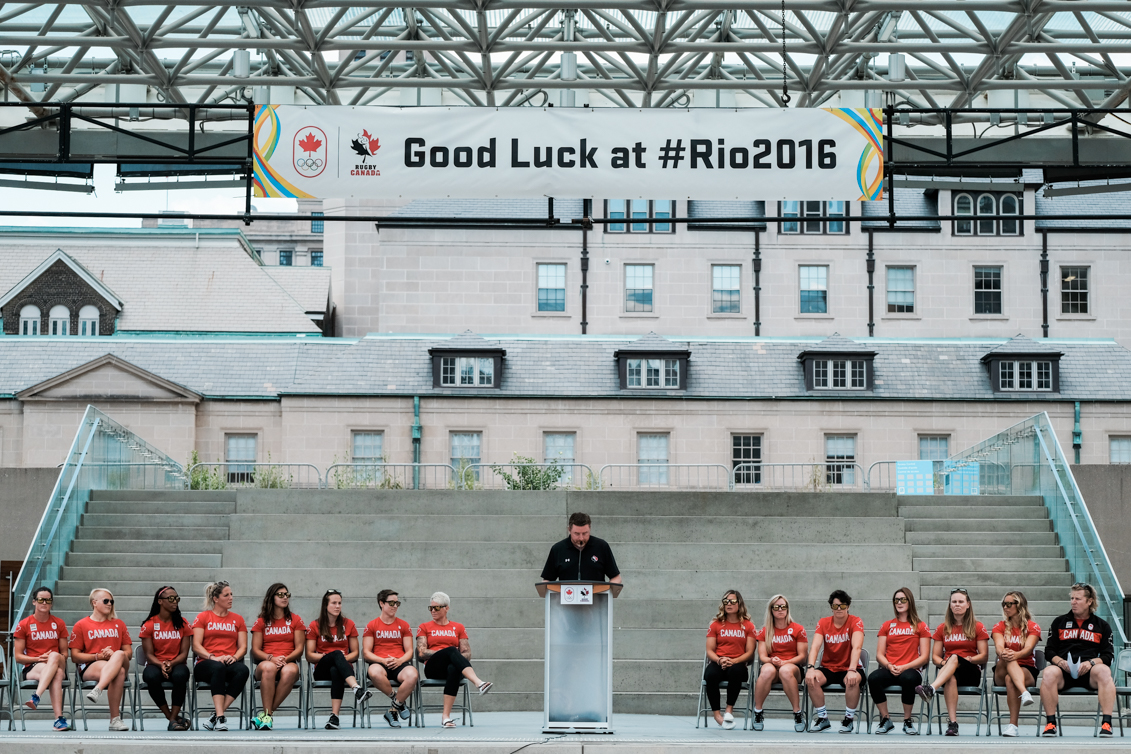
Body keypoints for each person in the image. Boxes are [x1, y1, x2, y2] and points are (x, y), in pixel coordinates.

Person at [1039, 582, 1117, 737]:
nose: (1073, 602)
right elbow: (1049, 651)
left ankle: (1107, 723)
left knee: (1104, 670)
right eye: (1072, 598)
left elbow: (1108, 656)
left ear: (1089, 602)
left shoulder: (1102, 625)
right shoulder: (1059, 622)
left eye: (1078, 599)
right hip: (1064, 670)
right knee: (1048, 672)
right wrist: (1060, 662)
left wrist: (1091, 663)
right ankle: (1050, 723)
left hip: (1089, 672)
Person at [916, 587, 988, 736]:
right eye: (954, 601)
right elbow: (935, 657)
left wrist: (970, 659)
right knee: (950, 677)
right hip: (949, 671)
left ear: (968, 604)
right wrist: (945, 663)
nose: (957, 604)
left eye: (961, 601)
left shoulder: (978, 627)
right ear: (950, 605)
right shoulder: (943, 628)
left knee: (954, 657)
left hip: (971, 671)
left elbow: (984, 656)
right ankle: (953, 724)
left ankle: (931, 688)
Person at [417, 592, 492, 729]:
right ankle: (478, 683)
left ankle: (446, 717)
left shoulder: (458, 627)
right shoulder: (424, 627)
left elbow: (467, 653)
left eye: (437, 608)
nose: (433, 611)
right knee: (451, 650)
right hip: (433, 667)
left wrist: (452, 656)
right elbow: (421, 653)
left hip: (452, 668)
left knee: (454, 668)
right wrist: (446, 653)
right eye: (431, 608)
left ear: (446, 608)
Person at [867, 587, 931, 735]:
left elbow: (925, 657)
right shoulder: (887, 625)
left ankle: (907, 721)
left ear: (910, 601)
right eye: (896, 600)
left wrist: (904, 667)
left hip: (911, 669)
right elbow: (879, 655)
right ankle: (886, 719)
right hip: (890, 669)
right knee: (873, 678)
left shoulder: (921, 626)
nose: (899, 602)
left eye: (903, 599)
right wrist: (889, 666)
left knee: (909, 678)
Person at [306, 589, 372, 730]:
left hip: (343, 669)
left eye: (340, 603)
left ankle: (334, 717)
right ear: (325, 605)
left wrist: (341, 659)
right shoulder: (314, 625)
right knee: (336, 654)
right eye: (334, 603)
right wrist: (331, 657)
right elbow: (309, 655)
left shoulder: (348, 624)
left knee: (336, 669)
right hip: (321, 669)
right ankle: (357, 689)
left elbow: (355, 653)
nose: (337, 606)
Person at [69, 588, 132, 731]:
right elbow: (75, 656)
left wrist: (113, 654)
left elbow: (128, 653)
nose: (109, 604)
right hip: (92, 665)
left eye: (111, 601)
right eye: (106, 601)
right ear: (94, 603)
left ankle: (98, 688)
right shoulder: (81, 625)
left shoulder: (119, 624)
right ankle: (115, 720)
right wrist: (97, 656)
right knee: (120, 672)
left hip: (119, 661)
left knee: (120, 654)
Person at [191, 581, 250, 731]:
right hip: (205, 664)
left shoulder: (238, 619)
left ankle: (217, 715)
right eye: (226, 595)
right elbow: (196, 645)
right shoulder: (203, 617)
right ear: (216, 599)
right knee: (218, 667)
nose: (231, 598)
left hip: (228, 662)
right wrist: (212, 657)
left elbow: (243, 646)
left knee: (243, 670)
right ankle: (220, 717)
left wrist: (235, 657)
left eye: (231, 594)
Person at [806, 589, 865, 733]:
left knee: (853, 680)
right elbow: (815, 646)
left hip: (849, 667)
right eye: (835, 605)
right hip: (828, 667)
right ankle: (823, 718)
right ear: (831, 607)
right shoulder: (824, 622)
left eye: (843, 605)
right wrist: (810, 667)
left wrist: (852, 670)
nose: (839, 609)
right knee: (811, 678)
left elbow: (856, 647)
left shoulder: (855, 621)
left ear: (848, 606)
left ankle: (848, 719)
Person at [12, 586, 70, 732]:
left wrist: (51, 658)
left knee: (55, 655)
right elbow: (18, 657)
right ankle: (59, 719)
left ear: (51, 603)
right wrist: (38, 658)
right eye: (41, 599)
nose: (44, 602)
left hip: (59, 662)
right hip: (34, 666)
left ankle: (37, 696)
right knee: (55, 673)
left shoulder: (59, 623)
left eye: (48, 600)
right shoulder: (24, 624)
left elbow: (65, 654)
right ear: (34, 602)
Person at [250, 582, 305, 730]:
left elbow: (300, 648)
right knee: (269, 667)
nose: (284, 597)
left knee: (291, 671)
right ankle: (267, 715)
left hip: (288, 661)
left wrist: (285, 659)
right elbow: (255, 649)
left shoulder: (296, 620)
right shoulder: (261, 621)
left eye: (287, 594)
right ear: (271, 597)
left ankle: (267, 715)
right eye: (280, 594)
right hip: (266, 662)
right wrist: (271, 658)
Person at [752, 594, 808, 733]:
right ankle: (758, 712)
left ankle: (797, 713)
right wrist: (772, 660)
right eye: (776, 607)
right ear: (771, 610)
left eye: (783, 606)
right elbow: (763, 656)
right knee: (766, 670)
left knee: (785, 670)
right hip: (772, 665)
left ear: (788, 609)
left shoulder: (798, 629)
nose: (780, 609)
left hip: (793, 668)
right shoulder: (765, 630)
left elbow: (802, 656)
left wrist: (785, 662)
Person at [139, 586, 192, 731]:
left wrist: (171, 663)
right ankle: (172, 718)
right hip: (155, 664)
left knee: (181, 674)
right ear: (160, 601)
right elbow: (149, 655)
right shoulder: (149, 624)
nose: (175, 602)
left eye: (177, 598)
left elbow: (184, 654)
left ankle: (173, 719)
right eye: (171, 598)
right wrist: (161, 664)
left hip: (177, 663)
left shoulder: (183, 624)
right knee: (150, 676)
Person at [364, 589, 418, 728]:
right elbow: (366, 652)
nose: (395, 606)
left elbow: (409, 651)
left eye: (397, 603)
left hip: (399, 662)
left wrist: (400, 660)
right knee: (374, 672)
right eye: (391, 603)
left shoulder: (404, 625)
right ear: (381, 603)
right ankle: (398, 702)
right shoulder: (372, 625)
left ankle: (393, 710)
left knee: (413, 675)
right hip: (380, 662)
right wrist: (382, 660)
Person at [704, 589, 756, 729]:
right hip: (719, 661)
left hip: (738, 664)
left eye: (732, 601)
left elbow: (750, 652)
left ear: (739, 604)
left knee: (736, 672)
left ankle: (728, 710)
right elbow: (709, 650)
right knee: (710, 675)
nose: (729, 604)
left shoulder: (748, 626)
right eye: (726, 601)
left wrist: (733, 661)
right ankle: (717, 715)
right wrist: (720, 660)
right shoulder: (715, 624)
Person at [992, 591, 1040, 737]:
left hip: (1026, 670)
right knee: (1007, 658)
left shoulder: (1033, 627)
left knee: (1010, 679)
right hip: (1002, 668)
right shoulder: (999, 626)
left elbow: (1028, 649)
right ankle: (1024, 692)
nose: (1005, 607)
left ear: (1019, 606)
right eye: (1003, 604)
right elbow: (999, 646)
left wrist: (1016, 654)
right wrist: (1004, 653)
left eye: (1008, 604)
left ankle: (1013, 726)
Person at [540, 512, 622, 583]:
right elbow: (547, 581)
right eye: (577, 534)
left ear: (590, 529)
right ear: (569, 529)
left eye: (585, 533)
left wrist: (606, 592)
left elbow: (616, 578)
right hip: (567, 599)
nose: (581, 538)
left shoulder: (601, 546)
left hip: (597, 599)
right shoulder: (557, 549)